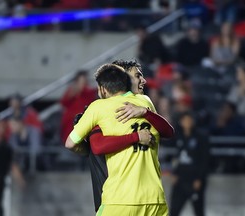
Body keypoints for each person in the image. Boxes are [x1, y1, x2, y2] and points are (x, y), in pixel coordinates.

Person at [71, 59, 175, 212]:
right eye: (137, 76)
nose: (143, 80)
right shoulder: (102, 109)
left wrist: (146, 113)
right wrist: (137, 136)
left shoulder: (145, 103)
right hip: (118, 197)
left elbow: (169, 132)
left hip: (137, 198)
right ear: (122, 77)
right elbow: (97, 146)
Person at [169, 112, 209, 216]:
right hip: (180, 179)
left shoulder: (201, 138)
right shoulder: (178, 137)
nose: (187, 123)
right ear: (181, 122)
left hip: (194, 180)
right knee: (174, 210)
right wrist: (174, 173)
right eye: (185, 120)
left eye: (189, 120)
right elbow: (176, 157)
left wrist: (199, 179)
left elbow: (205, 160)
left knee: (198, 211)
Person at [60, 70, 97, 143]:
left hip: (83, 120)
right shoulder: (72, 91)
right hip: (70, 121)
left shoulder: (88, 92)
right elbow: (64, 102)